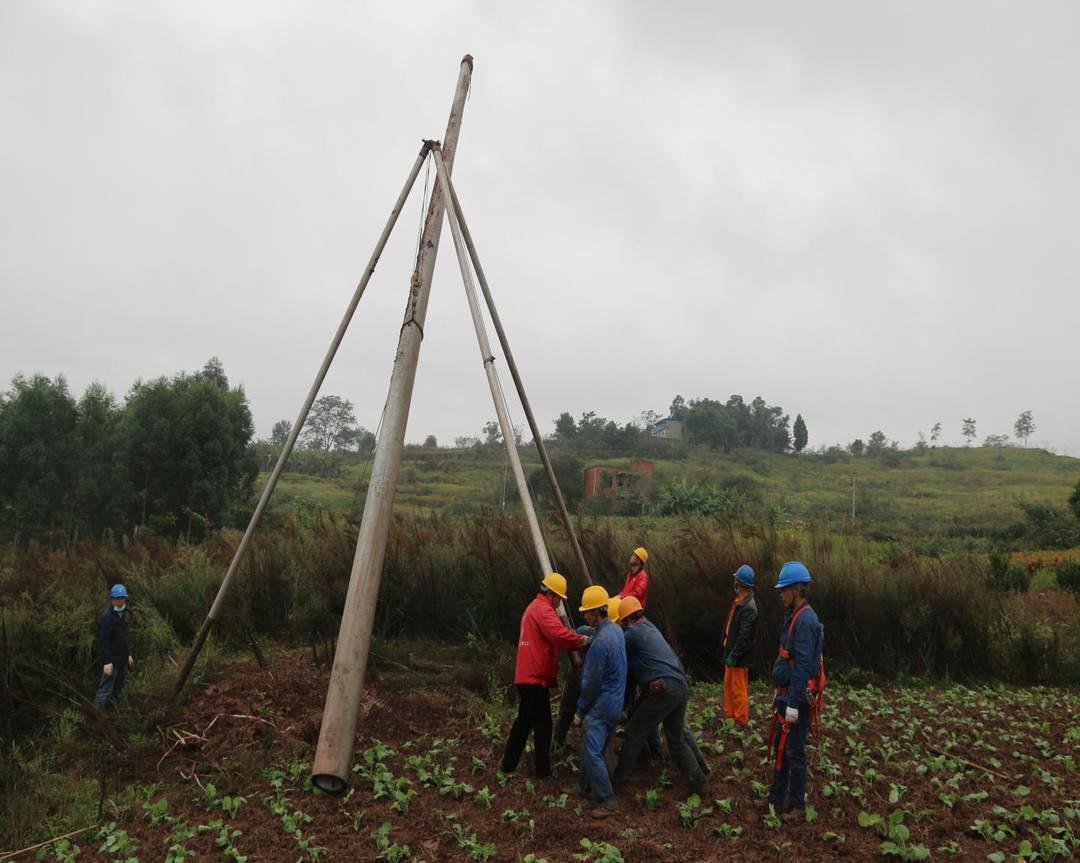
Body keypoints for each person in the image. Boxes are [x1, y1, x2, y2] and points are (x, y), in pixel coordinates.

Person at [612, 596, 705, 796]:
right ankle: (698, 780)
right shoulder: (650, 627)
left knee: (635, 730)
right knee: (677, 739)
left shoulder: (632, 633)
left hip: (664, 688)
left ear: (624, 619)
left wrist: (587, 641)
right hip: (679, 685)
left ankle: (617, 782)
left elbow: (613, 647)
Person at [501, 573, 589, 780]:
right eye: (558, 598)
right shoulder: (542, 609)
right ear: (550, 594)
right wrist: (582, 640)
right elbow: (557, 634)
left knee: (524, 721)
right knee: (543, 725)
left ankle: (508, 764)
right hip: (534, 677)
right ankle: (543, 773)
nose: (559, 604)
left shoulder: (534, 607)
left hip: (528, 675)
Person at [767, 561, 823, 824]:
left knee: (796, 752)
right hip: (786, 694)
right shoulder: (793, 616)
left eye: (785, 589)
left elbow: (803, 666)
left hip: (796, 698)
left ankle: (798, 806)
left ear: (797, 589)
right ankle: (775, 800)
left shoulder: (806, 621)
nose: (781, 594)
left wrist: (793, 702)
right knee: (781, 747)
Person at [574, 585, 626, 819]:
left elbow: (591, 682)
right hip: (616, 702)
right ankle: (582, 788)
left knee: (594, 752)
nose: (585, 615)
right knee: (593, 747)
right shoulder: (615, 632)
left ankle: (607, 801)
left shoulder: (599, 644)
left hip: (601, 705)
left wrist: (580, 711)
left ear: (597, 612)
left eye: (588, 612)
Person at [720, 564, 759, 726]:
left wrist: (734, 656)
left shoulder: (749, 609)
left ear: (740, 584)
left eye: (736, 580)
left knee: (738, 689)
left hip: (739, 657)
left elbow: (744, 638)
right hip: (731, 653)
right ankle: (730, 716)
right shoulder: (740, 602)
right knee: (728, 687)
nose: (734, 582)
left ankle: (741, 720)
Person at [95, 583, 132, 711]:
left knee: (118, 689)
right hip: (112, 661)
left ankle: (116, 713)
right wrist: (107, 662)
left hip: (122, 659)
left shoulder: (124, 613)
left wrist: (129, 654)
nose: (121, 601)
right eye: (118, 598)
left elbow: (124, 637)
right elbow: (103, 641)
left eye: (123, 598)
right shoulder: (106, 618)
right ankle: (97, 716)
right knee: (104, 691)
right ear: (113, 599)